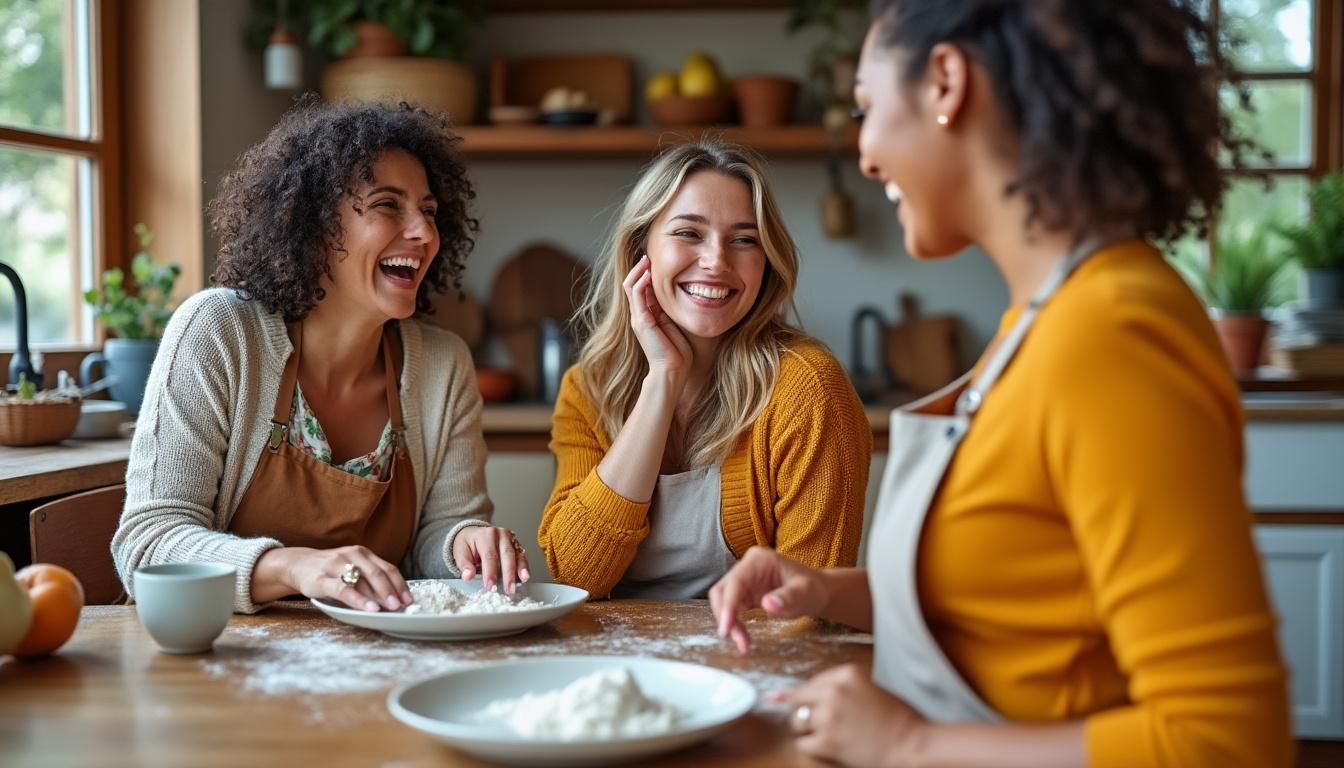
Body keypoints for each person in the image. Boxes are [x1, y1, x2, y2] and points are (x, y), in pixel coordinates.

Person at [709, 2, 1293, 766]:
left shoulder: (1108, 334)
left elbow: (1228, 742)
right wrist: (825, 590)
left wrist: (908, 746)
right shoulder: (1039, 322)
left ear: (946, 82)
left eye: (868, 108)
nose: (867, 155)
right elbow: (1010, 607)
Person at [113, 98, 528, 615]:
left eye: (428, 211)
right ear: (313, 226)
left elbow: (436, 536)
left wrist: (464, 541)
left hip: (376, 660)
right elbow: (148, 545)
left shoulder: (443, 365)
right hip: (223, 661)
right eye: (386, 205)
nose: (423, 233)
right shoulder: (220, 332)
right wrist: (297, 567)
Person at [539, 141, 871, 599]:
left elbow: (810, 612)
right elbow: (576, 576)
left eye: (743, 240)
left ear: (766, 262)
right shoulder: (589, 389)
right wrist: (663, 379)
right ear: (641, 250)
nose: (717, 261)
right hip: (615, 665)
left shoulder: (809, 389)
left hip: (748, 662)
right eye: (689, 233)